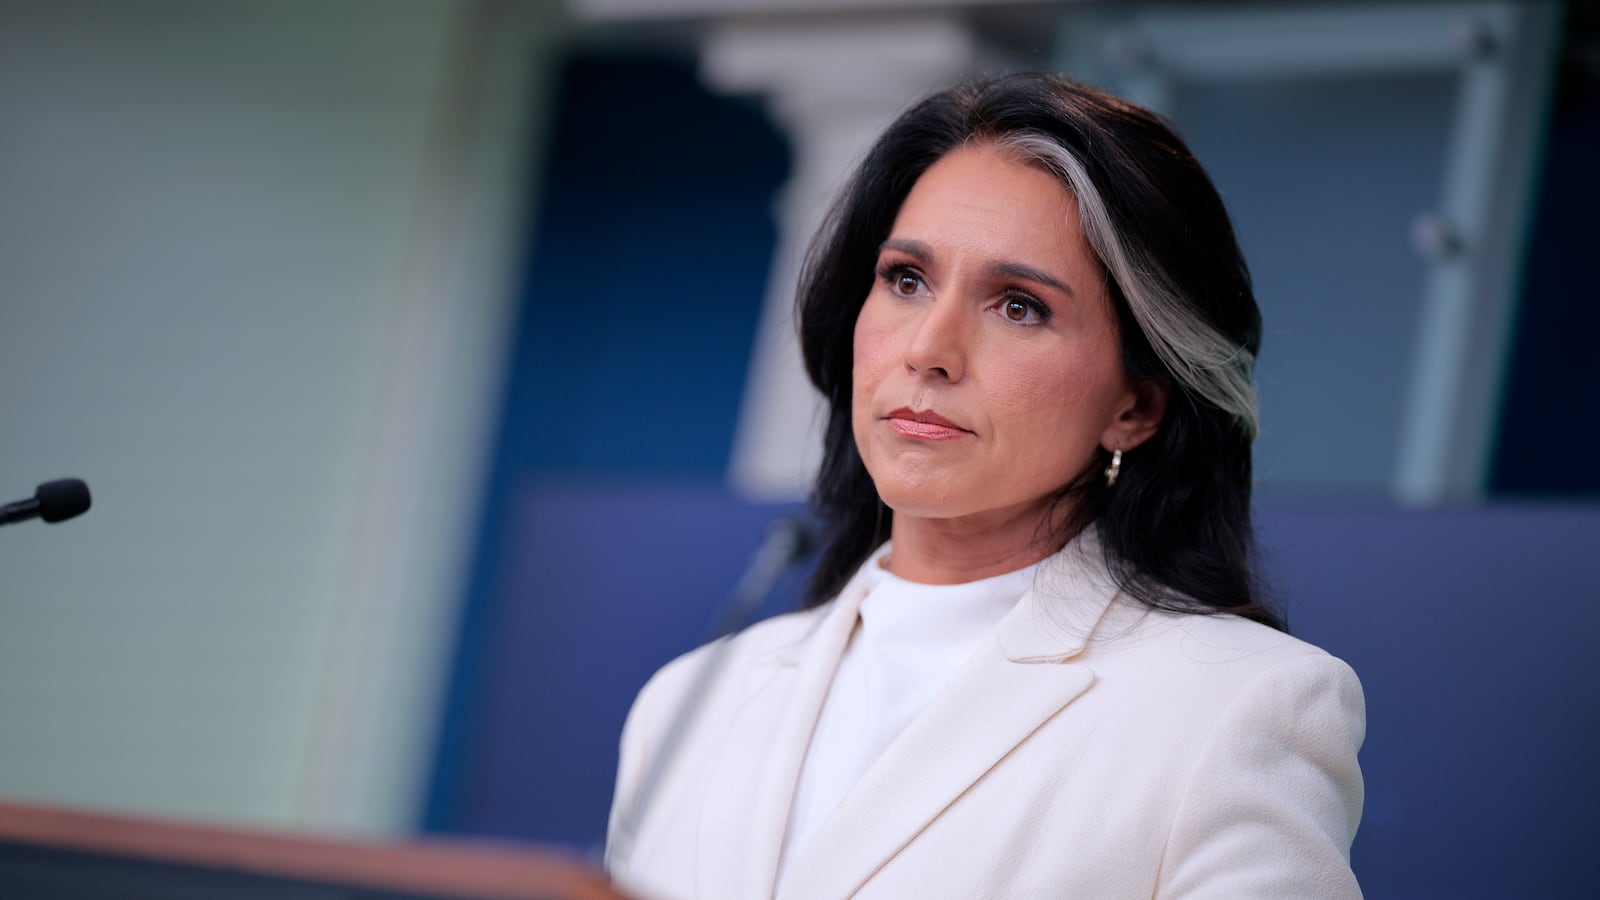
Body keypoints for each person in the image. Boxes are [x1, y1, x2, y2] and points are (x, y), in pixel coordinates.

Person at [606, 72, 1364, 899]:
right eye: (906, 280)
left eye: (1019, 306)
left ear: (1136, 407)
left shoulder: (1240, 705)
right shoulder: (689, 703)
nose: (929, 349)